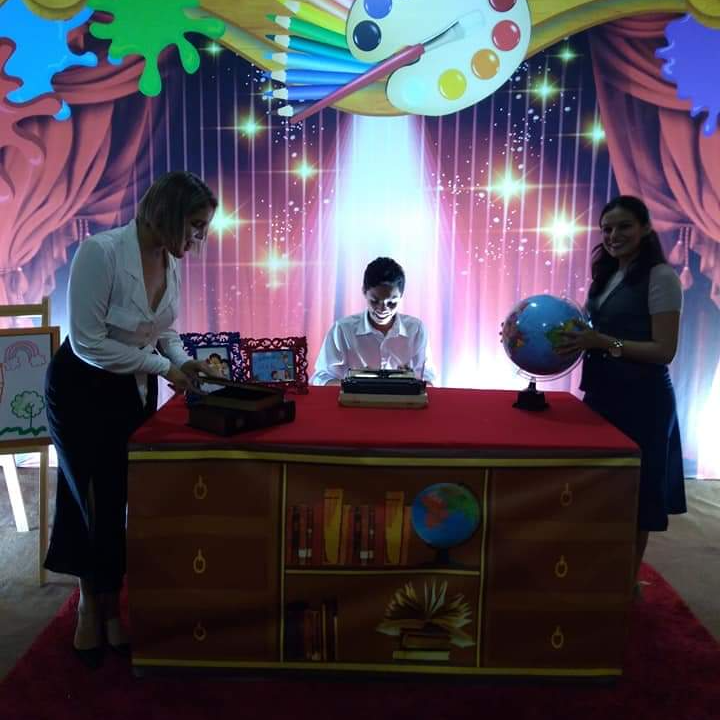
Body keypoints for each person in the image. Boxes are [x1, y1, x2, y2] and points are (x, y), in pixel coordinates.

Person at [44, 171, 221, 667]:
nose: (200, 237)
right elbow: (88, 344)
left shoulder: (169, 259)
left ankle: (111, 605)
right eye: (195, 225)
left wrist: (183, 362)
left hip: (132, 389)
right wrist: (164, 367)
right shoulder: (99, 253)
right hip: (80, 391)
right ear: (167, 215)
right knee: (89, 498)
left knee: (120, 496)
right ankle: (89, 604)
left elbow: (165, 330)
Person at [557, 195, 686, 592]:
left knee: (637, 497)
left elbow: (664, 351)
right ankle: (603, 575)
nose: (613, 235)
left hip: (643, 402)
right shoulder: (608, 274)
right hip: (602, 396)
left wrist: (603, 342)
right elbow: (587, 332)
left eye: (624, 226)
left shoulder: (661, 277)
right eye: (607, 229)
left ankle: (626, 585)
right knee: (603, 491)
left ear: (645, 228)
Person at [310, 257, 436, 385]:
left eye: (391, 303)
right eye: (375, 301)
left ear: (401, 296)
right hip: (354, 397)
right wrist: (352, 384)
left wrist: (411, 380)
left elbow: (428, 380)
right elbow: (321, 377)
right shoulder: (342, 330)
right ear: (364, 292)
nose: (383, 309)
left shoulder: (416, 330)